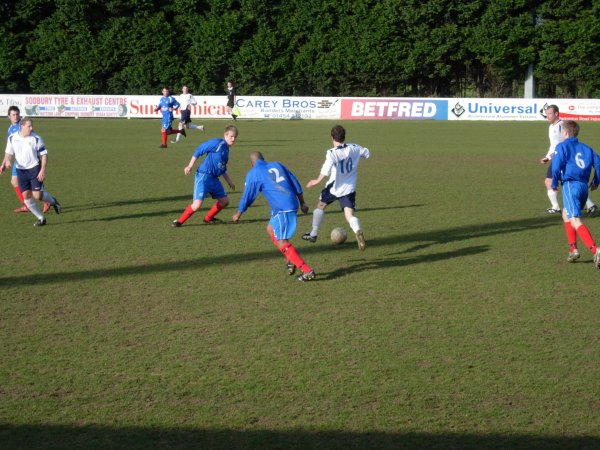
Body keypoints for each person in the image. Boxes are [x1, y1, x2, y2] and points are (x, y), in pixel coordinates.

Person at [232, 151, 316, 282]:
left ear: (251, 164)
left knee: (282, 241)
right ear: (264, 160)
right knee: (270, 229)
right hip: (284, 206)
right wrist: (302, 202)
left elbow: (247, 197)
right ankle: (290, 259)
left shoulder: (254, 173)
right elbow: (294, 181)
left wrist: (238, 213)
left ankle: (307, 271)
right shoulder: (277, 165)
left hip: (284, 209)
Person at [301, 125, 370, 251]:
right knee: (349, 215)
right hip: (349, 188)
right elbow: (367, 153)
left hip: (334, 187)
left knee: (320, 206)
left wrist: (316, 181)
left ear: (332, 137)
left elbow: (326, 169)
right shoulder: (354, 148)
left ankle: (313, 233)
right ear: (344, 136)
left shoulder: (332, 153)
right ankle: (357, 230)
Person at [550, 120, 600, 267]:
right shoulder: (587, 148)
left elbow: (555, 167)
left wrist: (554, 183)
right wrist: (596, 181)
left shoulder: (562, 146)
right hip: (583, 186)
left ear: (565, 132)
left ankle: (595, 249)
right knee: (566, 213)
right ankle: (573, 249)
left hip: (570, 185)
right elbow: (599, 164)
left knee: (575, 220)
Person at [172, 125, 238, 227]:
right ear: (225, 135)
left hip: (214, 179)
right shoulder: (217, 143)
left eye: (235, 137)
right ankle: (179, 221)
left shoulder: (226, 150)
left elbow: (222, 168)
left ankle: (208, 218)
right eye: (231, 136)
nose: (233, 139)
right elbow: (200, 149)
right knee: (197, 205)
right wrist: (190, 165)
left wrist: (229, 182)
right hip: (203, 176)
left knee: (225, 201)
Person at [1, 117, 62, 226]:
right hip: (21, 171)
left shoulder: (36, 138)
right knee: (26, 197)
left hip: (35, 169)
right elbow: (8, 153)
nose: (31, 128)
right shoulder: (12, 138)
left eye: (31, 126)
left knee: (37, 196)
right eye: (29, 126)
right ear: (22, 126)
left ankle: (53, 202)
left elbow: (44, 155)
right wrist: (7, 162)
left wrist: (42, 170)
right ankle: (41, 218)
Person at [541, 104, 596, 215]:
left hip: (563, 158)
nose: (547, 116)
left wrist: (553, 156)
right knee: (554, 181)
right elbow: (553, 145)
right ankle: (589, 205)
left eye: (550, 113)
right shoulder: (551, 127)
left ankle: (588, 205)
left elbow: (565, 142)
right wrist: (547, 156)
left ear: (556, 114)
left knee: (558, 181)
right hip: (556, 156)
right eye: (546, 114)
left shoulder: (561, 125)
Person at [6, 106, 50, 213]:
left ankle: (44, 200)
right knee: (14, 182)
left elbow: (32, 138)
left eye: (17, 114)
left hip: (28, 161)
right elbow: (10, 148)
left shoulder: (21, 126)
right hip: (19, 161)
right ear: (9, 117)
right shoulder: (10, 129)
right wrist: (5, 162)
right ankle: (26, 204)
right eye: (13, 115)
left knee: (30, 189)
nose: (16, 117)